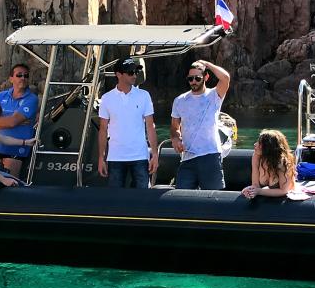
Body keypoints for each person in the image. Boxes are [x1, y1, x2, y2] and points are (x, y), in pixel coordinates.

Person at [96, 57, 158, 188]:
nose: (134, 75)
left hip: (140, 156)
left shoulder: (144, 95)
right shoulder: (106, 99)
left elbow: (150, 126)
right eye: (130, 72)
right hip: (115, 157)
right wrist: (101, 158)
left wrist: (155, 154)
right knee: (115, 198)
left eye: (136, 72)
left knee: (142, 196)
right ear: (119, 74)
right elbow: (103, 129)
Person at [171, 59, 231, 189]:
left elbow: (225, 78)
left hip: (210, 155)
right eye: (190, 79)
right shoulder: (179, 100)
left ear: (206, 77)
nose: (193, 81)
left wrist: (207, 64)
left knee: (213, 196)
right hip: (187, 157)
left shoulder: (214, 95)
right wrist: (175, 138)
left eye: (197, 78)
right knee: (181, 196)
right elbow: (175, 127)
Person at [0, 63, 41, 178]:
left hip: (16, 151)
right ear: (11, 78)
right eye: (19, 75)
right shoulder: (0, 96)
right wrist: (11, 121)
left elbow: (12, 122)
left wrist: (0, 121)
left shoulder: (32, 99)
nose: (23, 78)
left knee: (9, 184)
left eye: (26, 75)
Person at [242, 129, 298, 199]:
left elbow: (284, 190)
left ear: (269, 147)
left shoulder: (282, 163)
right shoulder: (256, 156)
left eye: (260, 143)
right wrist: (251, 191)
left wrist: (259, 191)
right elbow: (255, 185)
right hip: (265, 193)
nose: (255, 144)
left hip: (282, 198)